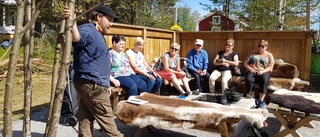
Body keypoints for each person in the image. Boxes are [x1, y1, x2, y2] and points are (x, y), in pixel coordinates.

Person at [63, 5, 123, 137]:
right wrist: (72, 22)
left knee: (85, 119)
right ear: (99, 17)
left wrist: (105, 83)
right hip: (92, 83)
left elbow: (98, 61)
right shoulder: (88, 29)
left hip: (92, 82)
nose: (111, 24)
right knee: (109, 123)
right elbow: (78, 39)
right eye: (110, 20)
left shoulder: (97, 33)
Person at [109, 35, 148, 99]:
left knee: (143, 85)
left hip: (128, 74)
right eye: (121, 44)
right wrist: (112, 80)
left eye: (123, 44)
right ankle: (126, 106)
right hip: (118, 75)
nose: (123, 46)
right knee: (133, 87)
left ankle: (139, 104)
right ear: (114, 43)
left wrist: (133, 74)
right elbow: (105, 70)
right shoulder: (110, 54)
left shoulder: (122, 54)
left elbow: (128, 65)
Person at [244, 39, 274, 109]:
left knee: (264, 80)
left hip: (264, 71)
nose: (260, 48)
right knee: (248, 79)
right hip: (252, 70)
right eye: (259, 46)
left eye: (262, 46)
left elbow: (270, 66)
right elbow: (245, 63)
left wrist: (263, 72)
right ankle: (253, 99)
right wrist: (250, 69)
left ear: (266, 47)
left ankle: (261, 101)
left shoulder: (269, 55)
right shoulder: (253, 53)